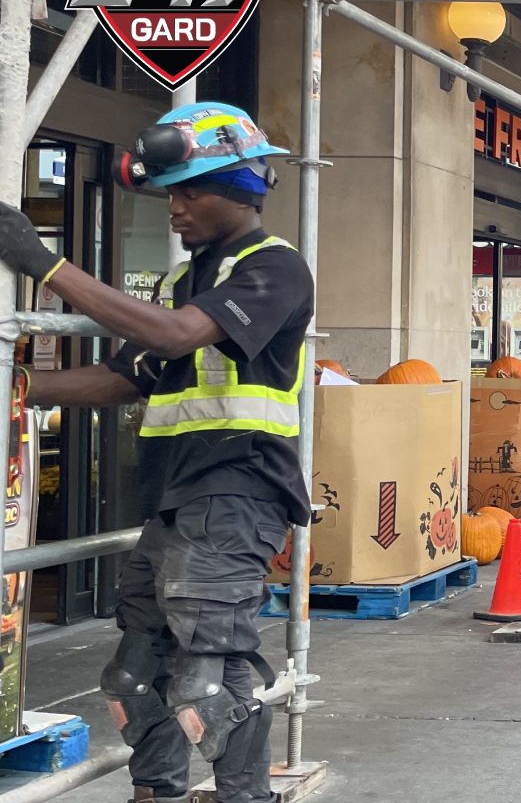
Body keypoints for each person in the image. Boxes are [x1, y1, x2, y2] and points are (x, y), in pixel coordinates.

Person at [0, 103, 309, 803]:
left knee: (211, 684)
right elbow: (120, 378)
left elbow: (174, 338)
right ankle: (155, 794)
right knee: (135, 678)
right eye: (170, 192)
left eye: (188, 191)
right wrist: (16, 384)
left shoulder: (276, 268)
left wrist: (45, 265)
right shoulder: (180, 284)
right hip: (175, 497)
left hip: (237, 491)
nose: (174, 208)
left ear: (239, 185)